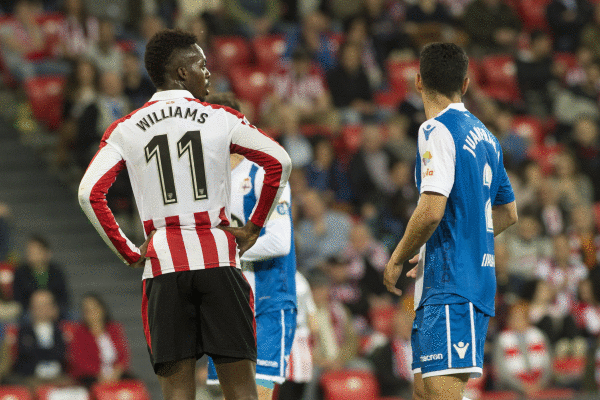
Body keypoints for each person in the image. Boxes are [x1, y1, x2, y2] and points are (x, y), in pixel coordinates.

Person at [78, 29, 292, 400]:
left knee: (178, 394)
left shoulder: (125, 128)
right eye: (201, 64)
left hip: (164, 267)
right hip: (218, 258)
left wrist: (129, 251)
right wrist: (255, 227)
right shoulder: (220, 118)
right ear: (180, 73)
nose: (208, 72)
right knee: (242, 391)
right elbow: (280, 162)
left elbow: (88, 193)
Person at [382, 43, 518, 400]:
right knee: (424, 392)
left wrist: (397, 257)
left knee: (441, 394)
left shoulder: (436, 129)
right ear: (467, 83)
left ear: (418, 81)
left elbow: (431, 209)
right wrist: (442, 247)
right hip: (450, 281)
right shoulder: (488, 138)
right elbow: (508, 212)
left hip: (452, 284)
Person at [203, 93, 297, 400]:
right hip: (227, 303)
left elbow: (279, 241)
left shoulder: (265, 171)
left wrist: (221, 251)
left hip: (269, 298)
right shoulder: (203, 181)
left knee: (258, 394)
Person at [67, 293, 131, 387]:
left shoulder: (114, 329)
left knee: (133, 383)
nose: (92, 313)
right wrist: (100, 376)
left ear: (102, 309)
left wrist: (116, 373)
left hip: (115, 373)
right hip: (90, 376)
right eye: (88, 310)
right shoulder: (79, 333)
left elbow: (123, 355)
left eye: (95, 308)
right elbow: (80, 361)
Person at [13, 235, 70, 319]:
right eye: (29, 251)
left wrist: (54, 309)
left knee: (72, 316)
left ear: (46, 252)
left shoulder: (56, 272)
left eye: (35, 251)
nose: (31, 255)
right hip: (30, 312)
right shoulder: (20, 272)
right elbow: (18, 298)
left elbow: (64, 297)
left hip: (53, 311)